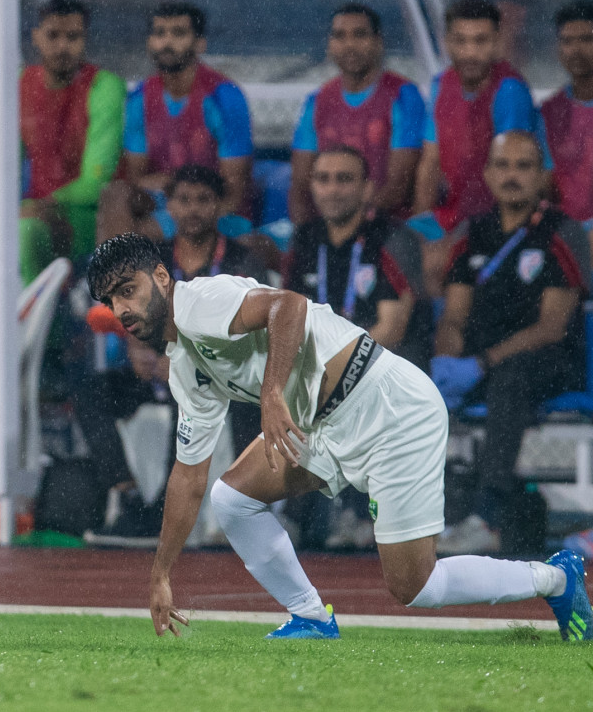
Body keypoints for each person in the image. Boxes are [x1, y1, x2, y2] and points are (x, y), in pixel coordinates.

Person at [86, 232, 590, 643]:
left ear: (160, 277)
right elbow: (188, 476)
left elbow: (289, 305)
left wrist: (271, 394)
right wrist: (161, 574)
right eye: (111, 300)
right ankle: (311, 616)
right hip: (322, 425)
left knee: (415, 586)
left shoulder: (196, 302)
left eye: (128, 289)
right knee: (231, 498)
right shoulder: (184, 368)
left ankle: (556, 578)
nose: (121, 307)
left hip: (388, 408)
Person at [77, 165, 264, 545]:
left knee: (188, 388)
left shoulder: (242, 262)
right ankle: (127, 494)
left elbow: (249, 333)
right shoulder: (151, 259)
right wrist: (134, 347)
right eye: (183, 200)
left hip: (215, 378)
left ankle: (163, 511)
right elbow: (128, 309)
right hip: (155, 374)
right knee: (89, 390)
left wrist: (183, 360)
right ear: (170, 206)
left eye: (203, 200)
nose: (193, 209)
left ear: (220, 206)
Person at [431, 131, 590, 555]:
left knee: (510, 379)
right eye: (502, 166)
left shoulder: (561, 232)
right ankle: (407, 514)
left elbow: (552, 327)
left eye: (523, 167)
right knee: (413, 379)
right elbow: (453, 315)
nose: (512, 176)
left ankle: (487, 516)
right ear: (487, 174)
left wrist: (482, 363)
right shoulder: (473, 233)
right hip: (480, 362)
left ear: (542, 177)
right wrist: (445, 364)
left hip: (549, 363)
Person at [99, 2, 254, 244]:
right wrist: (170, 192)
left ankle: (122, 274)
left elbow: (233, 191)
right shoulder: (140, 98)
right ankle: (110, 275)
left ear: (200, 43)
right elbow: (137, 179)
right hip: (166, 202)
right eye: (160, 33)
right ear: (150, 42)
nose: (167, 42)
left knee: (144, 235)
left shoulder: (224, 97)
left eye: (178, 33)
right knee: (116, 194)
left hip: (216, 209)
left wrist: (177, 189)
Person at [285, 147, 428, 367]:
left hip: (383, 368)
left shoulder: (393, 238)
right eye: (323, 179)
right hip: (322, 367)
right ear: (312, 186)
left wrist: (333, 364)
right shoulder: (304, 238)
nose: (332, 190)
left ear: (367, 189)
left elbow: (392, 331)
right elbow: (290, 319)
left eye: (344, 179)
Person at [17, 0, 125, 282]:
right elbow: (1, 168)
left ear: (85, 39)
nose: (63, 46)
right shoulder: (20, 84)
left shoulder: (105, 86)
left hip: (87, 217)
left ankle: (41, 327)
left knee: (25, 235)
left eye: (73, 37)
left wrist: (40, 206)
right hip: (31, 210)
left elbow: (96, 183)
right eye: (53, 35)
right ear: (36, 37)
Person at [287, 4, 426, 225]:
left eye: (360, 35)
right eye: (340, 36)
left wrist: (350, 231)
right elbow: (301, 185)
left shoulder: (403, 96)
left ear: (378, 42)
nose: (349, 45)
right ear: (330, 45)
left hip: (386, 225)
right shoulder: (317, 101)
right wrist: (305, 234)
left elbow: (398, 186)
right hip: (327, 229)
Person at [412, 0, 539, 238]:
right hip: (449, 217)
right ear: (446, 42)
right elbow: (430, 163)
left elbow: (514, 172)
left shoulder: (509, 91)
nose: (470, 52)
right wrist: (419, 226)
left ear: (496, 42)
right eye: (461, 41)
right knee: (400, 247)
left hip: (495, 221)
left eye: (480, 41)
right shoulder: (440, 86)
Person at [541, 0, 593, 236]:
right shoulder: (549, 112)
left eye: (586, 39)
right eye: (567, 41)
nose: (576, 50)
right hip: (565, 238)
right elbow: (543, 180)